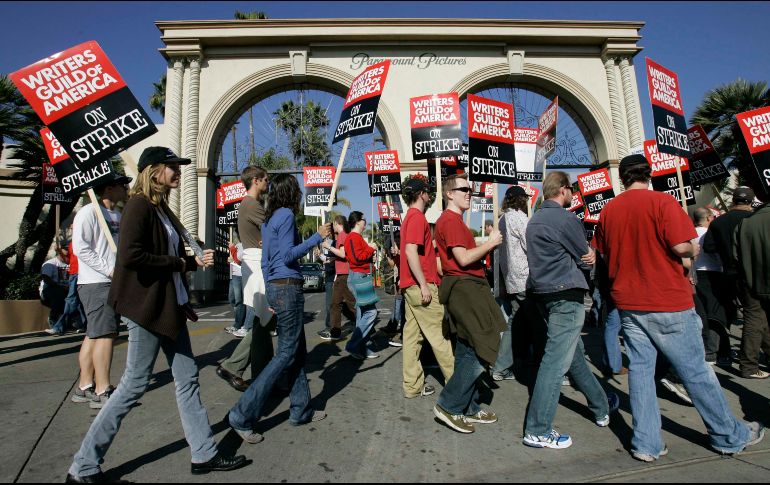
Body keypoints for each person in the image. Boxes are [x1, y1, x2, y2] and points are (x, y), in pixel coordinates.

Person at [66, 147, 248, 483]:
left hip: (170, 305)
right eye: (172, 167)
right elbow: (132, 256)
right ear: (153, 171)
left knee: (187, 378)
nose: (178, 172)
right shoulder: (138, 205)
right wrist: (180, 263)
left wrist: (191, 259)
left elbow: (167, 253)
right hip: (146, 308)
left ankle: (203, 452)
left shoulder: (160, 208)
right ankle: (83, 465)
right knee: (133, 385)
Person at [592, 154, 764, 462]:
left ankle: (646, 443)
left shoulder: (609, 211)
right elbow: (681, 247)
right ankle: (728, 435)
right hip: (667, 300)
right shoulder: (663, 203)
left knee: (642, 374)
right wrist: (693, 247)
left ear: (623, 179)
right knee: (696, 370)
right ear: (649, 174)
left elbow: (603, 255)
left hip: (630, 304)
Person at [226, 174, 330, 444]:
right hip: (288, 286)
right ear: (291, 193)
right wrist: (315, 238)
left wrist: (270, 289)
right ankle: (242, 413)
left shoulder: (272, 219)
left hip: (276, 285)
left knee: (295, 352)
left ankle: (301, 408)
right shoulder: (285, 216)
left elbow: (266, 260)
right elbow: (286, 255)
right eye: (298, 190)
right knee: (285, 354)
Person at [522, 171, 618, 450]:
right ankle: (538, 429)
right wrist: (587, 258)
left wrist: (584, 255)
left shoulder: (535, 219)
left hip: (544, 295)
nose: (573, 195)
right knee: (556, 362)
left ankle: (601, 405)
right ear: (562, 190)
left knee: (572, 356)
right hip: (566, 295)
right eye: (571, 190)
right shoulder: (566, 219)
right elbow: (585, 257)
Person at [433, 173, 504, 434]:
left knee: (466, 348)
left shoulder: (454, 222)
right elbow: (462, 259)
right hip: (465, 288)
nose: (469, 192)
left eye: (470, 189)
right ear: (449, 193)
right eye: (463, 189)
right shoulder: (450, 221)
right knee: (483, 346)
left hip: (466, 288)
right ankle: (449, 405)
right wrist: (491, 243)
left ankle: (470, 406)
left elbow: (446, 262)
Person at [70, 173, 131, 409]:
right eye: (121, 185)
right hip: (96, 282)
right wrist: (109, 270)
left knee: (94, 333)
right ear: (108, 188)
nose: (126, 188)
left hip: (110, 282)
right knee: (105, 334)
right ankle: (102, 390)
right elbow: (80, 248)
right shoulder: (88, 212)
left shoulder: (116, 214)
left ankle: (84, 386)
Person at [217, 166, 275, 392]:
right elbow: (272, 232)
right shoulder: (252, 205)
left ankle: (264, 373)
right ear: (255, 180)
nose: (267, 183)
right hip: (257, 263)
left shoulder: (249, 205)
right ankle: (233, 365)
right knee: (265, 319)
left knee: (264, 319)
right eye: (265, 179)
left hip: (255, 262)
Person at [399, 177, 455, 398]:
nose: (430, 196)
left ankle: (412, 386)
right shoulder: (416, 218)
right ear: (421, 193)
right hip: (421, 285)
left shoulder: (410, 218)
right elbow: (411, 251)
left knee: (412, 338)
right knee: (439, 337)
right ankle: (457, 387)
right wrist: (423, 284)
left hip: (410, 286)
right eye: (428, 192)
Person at [705, 187, 769, 378]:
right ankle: (748, 363)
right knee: (755, 318)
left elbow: (711, 247)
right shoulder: (751, 219)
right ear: (750, 202)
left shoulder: (721, 222)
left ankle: (753, 360)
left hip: (736, 274)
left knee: (757, 316)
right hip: (755, 274)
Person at [492, 185, 530, 381]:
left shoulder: (501, 219)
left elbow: (498, 254)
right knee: (542, 322)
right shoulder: (519, 218)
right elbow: (531, 246)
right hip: (525, 278)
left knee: (515, 323)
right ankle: (555, 368)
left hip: (511, 279)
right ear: (521, 200)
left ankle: (501, 366)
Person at [734, 186, 770, 379]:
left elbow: (735, 255)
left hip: (751, 281)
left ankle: (748, 365)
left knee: (754, 321)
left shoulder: (746, 223)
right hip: (755, 280)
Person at [692, 207, 731, 366]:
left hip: (695, 276)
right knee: (715, 315)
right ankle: (715, 351)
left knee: (702, 314)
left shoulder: (690, 233)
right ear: (708, 218)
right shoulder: (711, 233)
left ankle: (713, 349)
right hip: (712, 274)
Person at [343, 211, 380, 359]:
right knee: (371, 312)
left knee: (363, 313)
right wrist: (371, 248)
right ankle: (354, 345)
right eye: (364, 219)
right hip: (359, 277)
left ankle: (360, 347)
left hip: (360, 276)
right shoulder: (353, 238)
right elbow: (358, 257)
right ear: (358, 221)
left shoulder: (355, 237)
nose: (366, 222)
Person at [320, 215, 357, 341]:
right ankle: (335, 331)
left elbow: (342, 253)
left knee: (349, 304)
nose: (332, 227)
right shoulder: (344, 235)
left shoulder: (341, 235)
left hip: (343, 275)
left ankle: (364, 324)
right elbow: (342, 255)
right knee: (336, 303)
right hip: (342, 274)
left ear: (337, 223)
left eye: (333, 225)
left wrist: (328, 247)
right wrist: (330, 259)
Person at [40, 245, 70, 335]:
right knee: (58, 294)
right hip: (50, 290)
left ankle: (80, 323)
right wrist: (60, 287)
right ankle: (53, 318)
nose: (68, 252)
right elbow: (46, 279)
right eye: (65, 250)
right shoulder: (50, 263)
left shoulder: (72, 263)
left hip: (66, 290)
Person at [224, 240, 247, 336]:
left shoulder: (242, 245)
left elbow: (238, 259)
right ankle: (240, 322)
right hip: (233, 275)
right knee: (232, 299)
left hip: (239, 275)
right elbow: (234, 260)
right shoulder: (237, 245)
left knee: (238, 300)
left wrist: (232, 249)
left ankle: (238, 324)